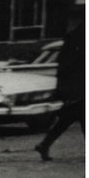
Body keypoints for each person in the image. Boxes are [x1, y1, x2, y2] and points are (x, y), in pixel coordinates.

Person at [36, 19, 84, 162]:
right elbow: (69, 65)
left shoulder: (75, 37)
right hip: (78, 86)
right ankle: (44, 145)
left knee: (69, 118)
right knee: (80, 115)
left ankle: (44, 144)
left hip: (78, 86)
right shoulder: (79, 39)